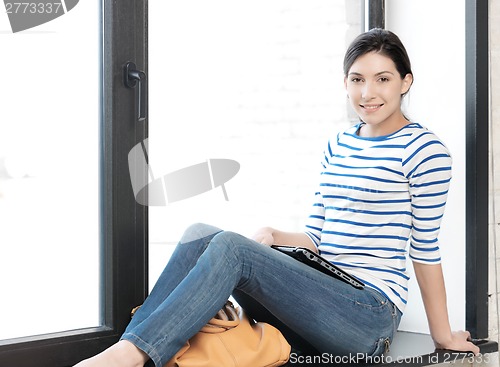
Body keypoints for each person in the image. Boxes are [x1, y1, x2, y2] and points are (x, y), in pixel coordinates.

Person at [74, 28, 480, 367]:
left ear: (406, 82)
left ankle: (132, 355)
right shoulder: (339, 144)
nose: (368, 92)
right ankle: (129, 346)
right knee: (201, 233)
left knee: (233, 248)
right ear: (345, 83)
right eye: (357, 79)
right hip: (318, 294)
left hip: (367, 317)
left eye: (383, 78)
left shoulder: (425, 150)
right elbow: (318, 237)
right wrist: (274, 234)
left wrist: (442, 336)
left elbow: (425, 248)